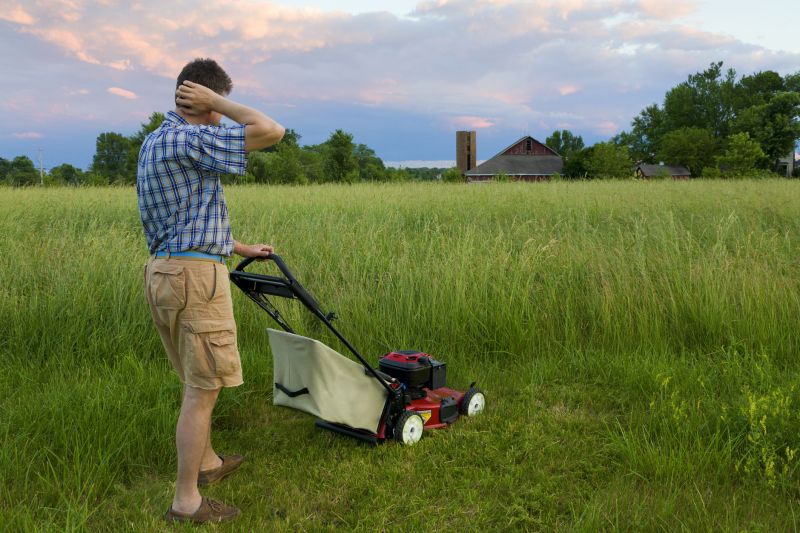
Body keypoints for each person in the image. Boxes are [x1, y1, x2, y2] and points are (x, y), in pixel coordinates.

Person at [137, 58, 285, 524]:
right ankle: (187, 502)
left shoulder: (156, 140)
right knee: (203, 389)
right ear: (202, 99)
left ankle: (208, 463)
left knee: (194, 380)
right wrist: (218, 102)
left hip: (166, 271)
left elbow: (185, 217)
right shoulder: (188, 138)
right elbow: (272, 131)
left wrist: (239, 247)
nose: (220, 114)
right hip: (194, 279)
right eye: (216, 104)